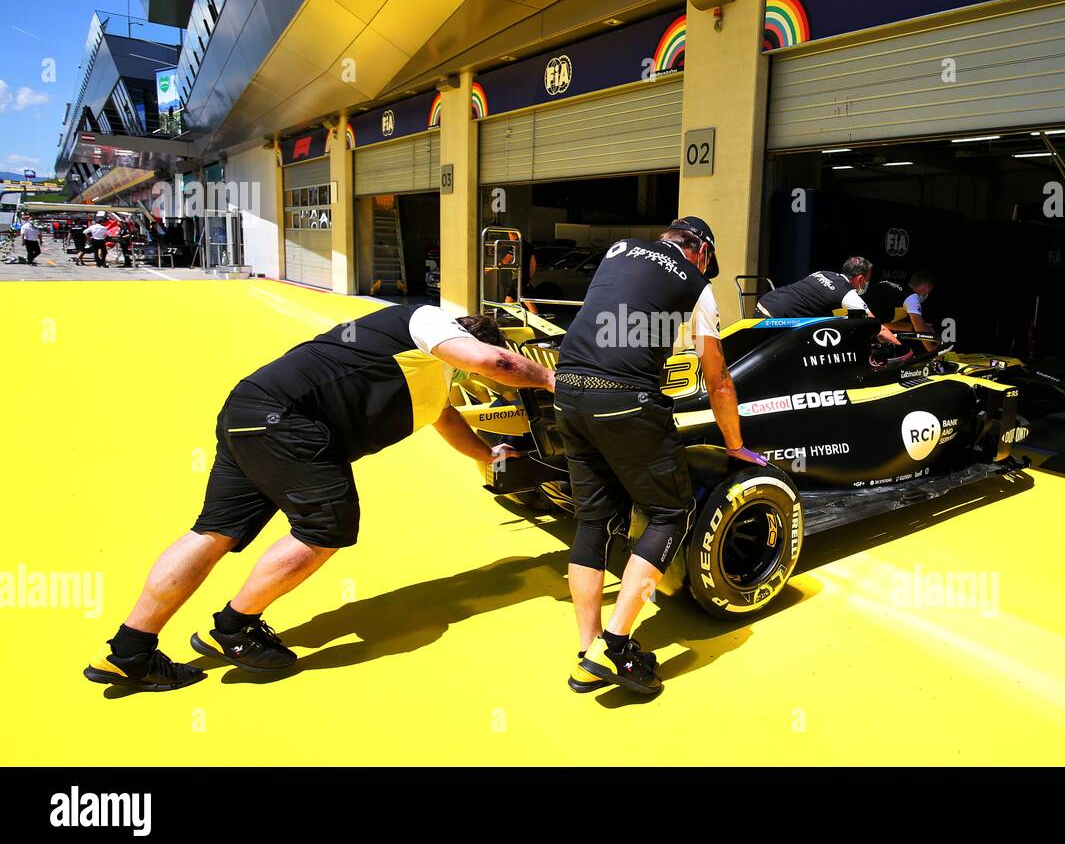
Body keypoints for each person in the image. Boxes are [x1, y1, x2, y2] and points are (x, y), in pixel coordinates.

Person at [84, 305, 555, 691]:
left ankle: (130, 650)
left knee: (213, 531)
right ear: (468, 341)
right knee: (323, 529)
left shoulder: (431, 379)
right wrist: (558, 381)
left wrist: (491, 457)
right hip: (285, 421)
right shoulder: (428, 321)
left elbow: (447, 420)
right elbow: (495, 364)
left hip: (247, 413)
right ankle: (234, 627)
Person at [557, 216, 765, 695]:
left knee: (593, 521)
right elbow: (717, 378)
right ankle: (613, 644)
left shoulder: (618, 251)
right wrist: (734, 445)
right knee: (671, 511)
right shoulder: (698, 286)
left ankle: (587, 652)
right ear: (704, 254)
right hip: (625, 398)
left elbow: (618, 319)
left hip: (568, 390)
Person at [757, 256, 900, 345]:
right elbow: (877, 328)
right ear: (860, 279)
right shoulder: (848, 294)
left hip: (765, 303)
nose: (867, 284)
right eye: (868, 280)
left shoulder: (822, 273)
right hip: (775, 319)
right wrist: (902, 350)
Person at [866, 270, 937, 350]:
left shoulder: (896, 291)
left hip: (861, 321)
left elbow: (886, 323)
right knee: (901, 353)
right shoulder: (912, 298)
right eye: (929, 291)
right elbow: (921, 332)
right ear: (926, 289)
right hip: (860, 321)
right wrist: (937, 355)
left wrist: (913, 328)